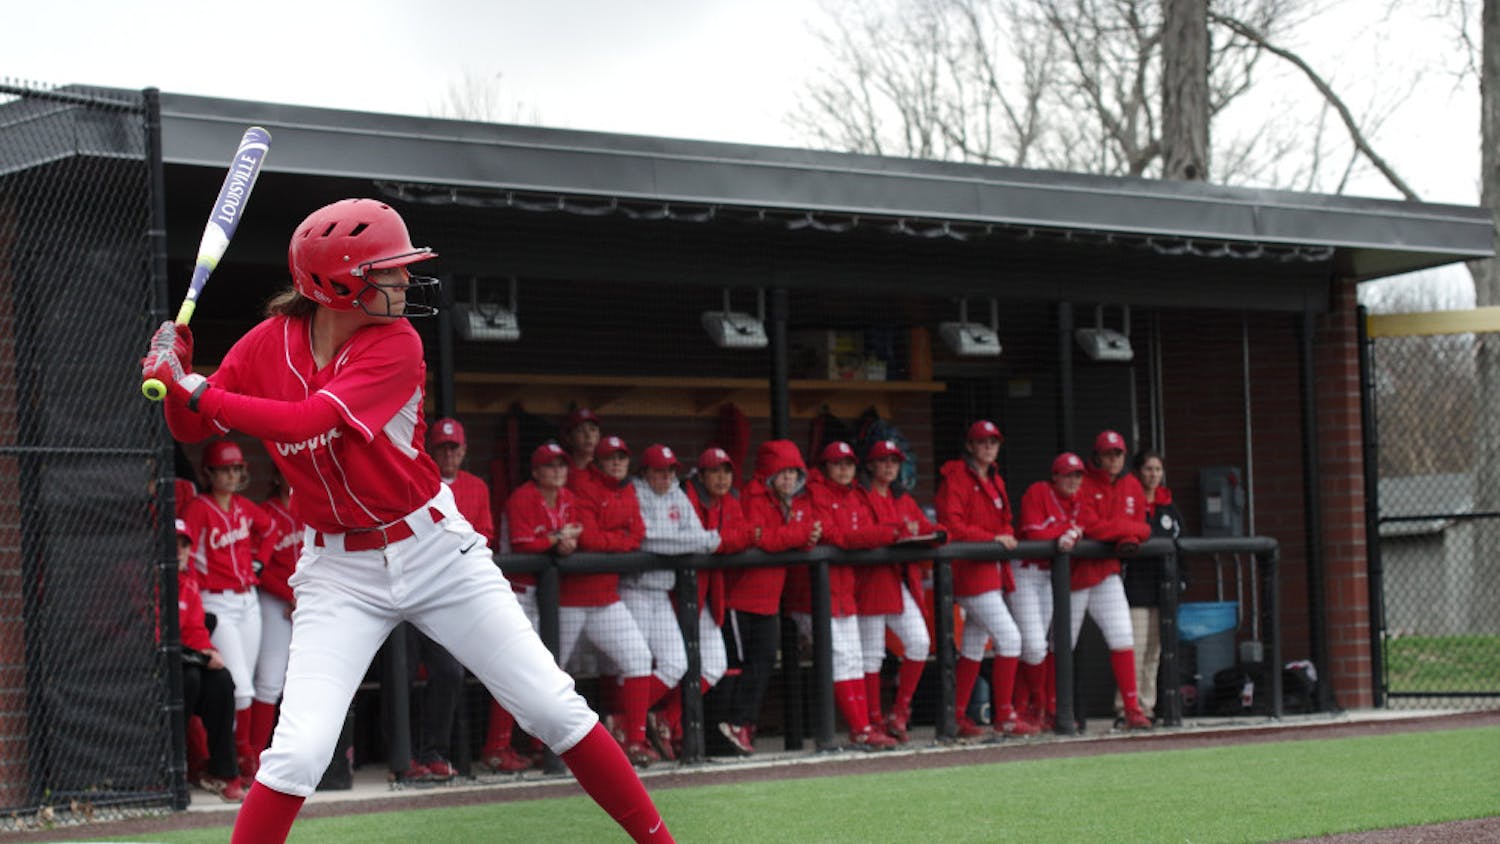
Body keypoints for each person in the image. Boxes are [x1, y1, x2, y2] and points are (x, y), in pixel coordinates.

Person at [140, 197, 673, 843]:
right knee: (299, 752)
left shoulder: (397, 343)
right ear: (336, 284)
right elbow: (192, 425)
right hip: (337, 568)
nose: (402, 281)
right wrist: (175, 378)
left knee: (550, 705)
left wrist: (197, 385)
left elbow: (307, 420)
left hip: (432, 550)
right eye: (387, 270)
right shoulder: (264, 346)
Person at [481, 442, 585, 774]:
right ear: (536, 471)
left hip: (539, 594)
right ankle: (496, 747)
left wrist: (567, 542)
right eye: (550, 466)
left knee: (537, 670)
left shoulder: (568, 498)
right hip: (513, 590)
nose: (558, 471)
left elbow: (574, 532)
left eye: (561, 465)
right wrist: (556, 540)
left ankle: (536, 744)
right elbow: (524, 543)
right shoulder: (522, 497)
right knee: (513, 671)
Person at [790, 441, 900, 750]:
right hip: (813, 596)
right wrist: (887, 532)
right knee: (839, 658)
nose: (843, 470)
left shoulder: (855, 497)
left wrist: (871, 535)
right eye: (837, 464)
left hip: (844, 591)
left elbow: (856, 535)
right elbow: (838, 537)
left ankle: (862, 727)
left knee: (853, 658)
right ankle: (861, 727)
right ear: (825, 467)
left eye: (848, 464)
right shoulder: (811, 493)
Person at [718, 440, 821, 755]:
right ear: (768, 472)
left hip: (769, 599)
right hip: (740, 597)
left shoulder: (788, 502)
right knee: (737, 665)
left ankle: (743, 725)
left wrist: (806, 536)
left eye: (793, 472)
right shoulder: (752, 495)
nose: (789, 479)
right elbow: (764, 538)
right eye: (782, 472)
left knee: (763, 664)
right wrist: (801, 535)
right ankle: (727, 726)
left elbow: (799, 534)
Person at [935, 420, 1036, 739]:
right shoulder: (955, 477)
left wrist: (1001, 534)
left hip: (991, 570)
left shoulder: (995, 479)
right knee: (1011, 639)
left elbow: (1006, 521)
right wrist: (992, 537)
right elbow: (951, 524)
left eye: (993, 442)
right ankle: (1004, 715)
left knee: (975, 645)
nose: (989, 447)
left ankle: (959, 715)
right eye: (982, 442)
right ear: (970, 446)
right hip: (969, 571)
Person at [180, 439, 275, 779]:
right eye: (226, 469)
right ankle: (241, 760)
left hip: (248, 600)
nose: (233, 475)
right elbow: (185, 552)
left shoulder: (243, 507)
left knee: (245, 684)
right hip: (215, 601)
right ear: (209, 472)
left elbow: (271, 529)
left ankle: (235, 759)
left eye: (237, 469)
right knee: (240, 686)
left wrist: (261, 563)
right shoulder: (198, 507)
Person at [569, 435, 659, 767]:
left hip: (606, 598)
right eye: (610, 458)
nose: (617, 463)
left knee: (638, 658)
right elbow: (588, 539)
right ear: (599, 462)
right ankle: (538, 748)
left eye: (622, 457)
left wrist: (616, 541)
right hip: (569, 599)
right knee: (550, 673)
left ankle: (634, 739)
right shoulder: (584, 485)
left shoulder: (628, 490)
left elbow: (637, 536)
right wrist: (618, 540)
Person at [630, 444, 721, 760]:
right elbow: (648, 539)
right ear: (645, 472)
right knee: (633, 664)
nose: (666, 477)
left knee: (677, 664)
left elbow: (695, 534)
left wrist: (693, 541)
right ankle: (629, 728)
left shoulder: (676, 494)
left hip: (661, 591)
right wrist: (698, 541)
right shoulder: (635, 492)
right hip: (634, 590)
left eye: (670, 470)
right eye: (659, 470)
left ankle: (631, 719)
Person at [676, 446, 758, 758]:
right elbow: (702, 540)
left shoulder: (730, 501)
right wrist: (721, 540)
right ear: (701, 475)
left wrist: (719, 540)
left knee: (714, 665)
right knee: (670, 664)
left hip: (708, 595)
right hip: (674, 595)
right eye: (714, 471)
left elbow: (746, 534)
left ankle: (669, 720)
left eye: (726, 472)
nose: (721, 478)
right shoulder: (687, 497)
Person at [858, 438, 939, 742]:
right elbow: (866, 534)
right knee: (871, 656)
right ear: (871, 465)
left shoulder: (901, 497)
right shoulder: (862, 494)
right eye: (884, 461)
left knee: (919, 641)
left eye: (894, 461)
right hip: (868, 582)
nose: (890, 466)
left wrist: (934, 534)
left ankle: (899, 712)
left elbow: (926, 528)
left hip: (895, 581)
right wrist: (902, 531)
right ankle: (874, 720)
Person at [1076, 430, 1154, 731]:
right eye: (1108, 454)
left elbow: (1144, 529)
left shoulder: (1132, 484)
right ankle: (1049, 709)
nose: (1113, 459)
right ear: (1097, 456)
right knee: (1059, 643)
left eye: (1118, 454)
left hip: (1106, 572)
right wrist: (1124, 531)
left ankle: (1133, 709)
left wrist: (1127, 533)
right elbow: (1090, 526)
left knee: (1123, 636)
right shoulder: (1082, 481)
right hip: (1075, 574)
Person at [1013, 452, 1089, 729]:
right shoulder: (1039, 491)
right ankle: (1039, 704)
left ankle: (1029, 710)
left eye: (1077, 475)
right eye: (1067, 475)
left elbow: (1088, 526)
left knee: (1039, 647)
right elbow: (1033, 533)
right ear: (1055, 476)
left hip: (1048, 577)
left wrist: (1072, 532)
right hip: (1025, 573)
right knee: (1032, 644)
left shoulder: (1080, 500)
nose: (1073, 480)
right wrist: (1064, 532)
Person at [172, 518, 245, 802]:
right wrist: (200, 657)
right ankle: (174, 771)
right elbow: (156, 636)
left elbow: (196, 630)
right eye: (173, 545)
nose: (179, 551)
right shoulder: (151, 579)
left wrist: (208, 652)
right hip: (160, 664)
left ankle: (224, 772)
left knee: (222, 681)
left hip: (189, 658)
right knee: (189, 678)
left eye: (184, 545)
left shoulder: (189, 580)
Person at [1119, 448, 1184, 723]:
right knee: (1133, 648)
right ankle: (1125, 708)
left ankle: (1146, 707)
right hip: (1134, 586)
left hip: (1163, 587)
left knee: (1154, 652)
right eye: (1148, 469)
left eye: (1158, 470)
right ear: (1137, 472)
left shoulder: (1168, 505)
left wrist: (1183, 579)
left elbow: (1181, 544)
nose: (1154, 475)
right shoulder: (1128, 502)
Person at [249, 466, 300, 776]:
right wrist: (287, 595)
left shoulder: (310, 508)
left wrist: (303, 598)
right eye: (285, 474)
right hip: (274, 601)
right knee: (269, 682)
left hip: (307, 601)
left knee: (304, 682)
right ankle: (253, 758)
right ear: (276, 477)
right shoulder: (265, 513)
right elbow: (257, 568)